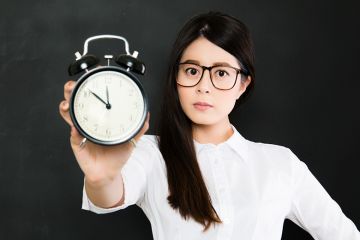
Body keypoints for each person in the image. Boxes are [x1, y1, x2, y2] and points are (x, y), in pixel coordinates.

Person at [59, 11, 360, 240]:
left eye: (221, 73)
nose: (204, 86)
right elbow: (109, 196)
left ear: (243, 84)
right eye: (191, 70)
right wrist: (101, 178)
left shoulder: (279, 163)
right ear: (175, 79)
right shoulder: (150, 152)